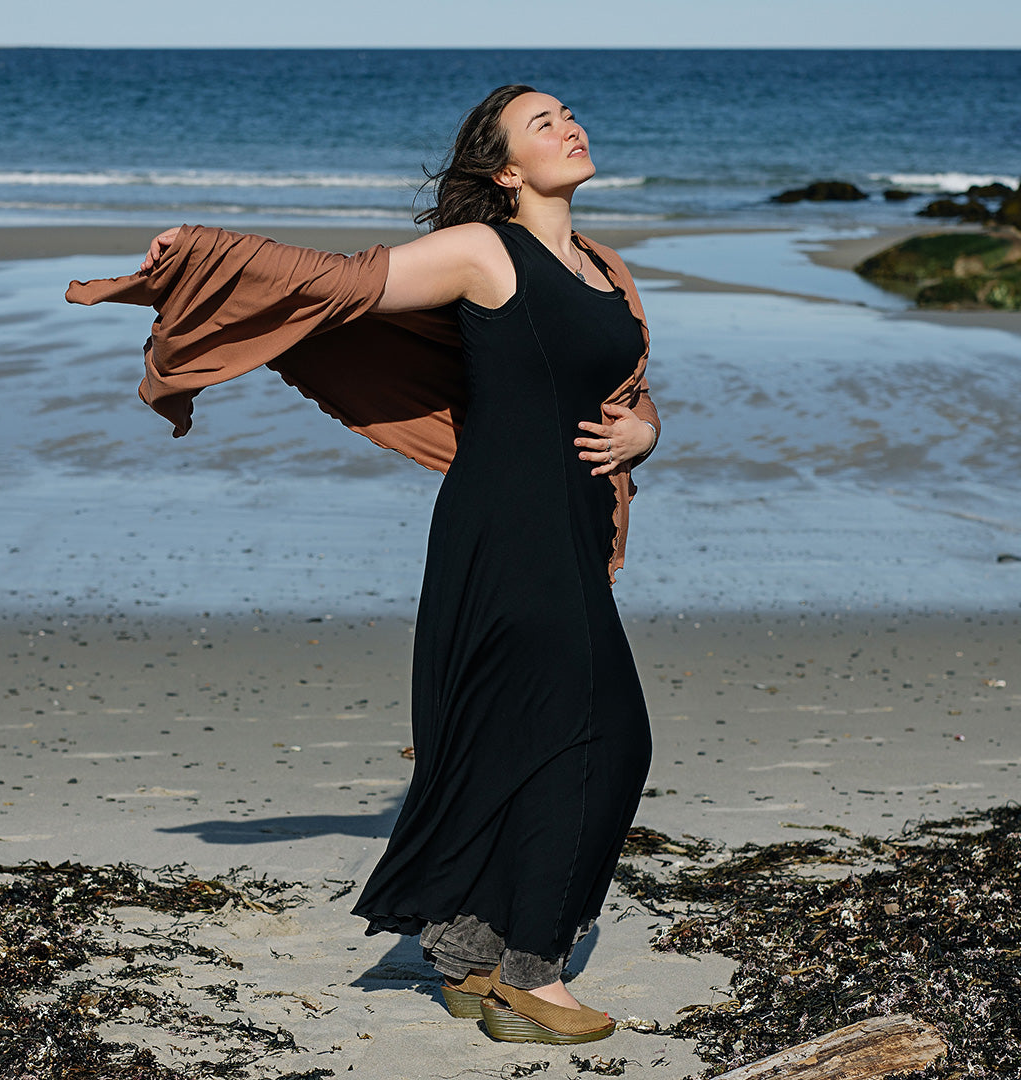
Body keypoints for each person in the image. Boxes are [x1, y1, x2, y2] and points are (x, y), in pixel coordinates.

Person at [82, 84, 658, 1045]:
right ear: (506, 170)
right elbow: (341, 281)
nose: (569, 125)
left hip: (565, 520)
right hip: (504, 523)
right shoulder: (484, 252)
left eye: (570, 112)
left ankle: (471, 958)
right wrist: (202, 250)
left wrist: (646, 432)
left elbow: (626, 395)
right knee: (610, 735)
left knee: (514, 738)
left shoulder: (603, 268)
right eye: (541, 123)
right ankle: (536, 972)